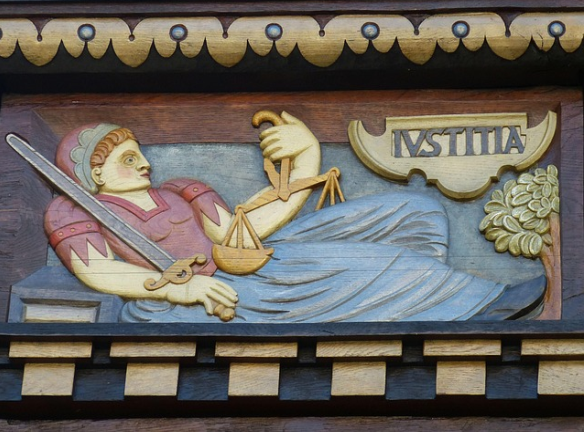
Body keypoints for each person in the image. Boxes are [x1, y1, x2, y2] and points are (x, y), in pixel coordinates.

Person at [44, 114, 546, 323]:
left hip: (243, 260)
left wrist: (306, 158)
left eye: (140, 154)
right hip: (209, 295)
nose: (145, 164)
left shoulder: (179, 190)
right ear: (93, 173)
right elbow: (100, 272)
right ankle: (474, 304)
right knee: (383, 263)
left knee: (417, 210)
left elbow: (243, 232)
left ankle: (420, 303)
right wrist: (180, 289)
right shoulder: (74, 210)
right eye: (129, 159)